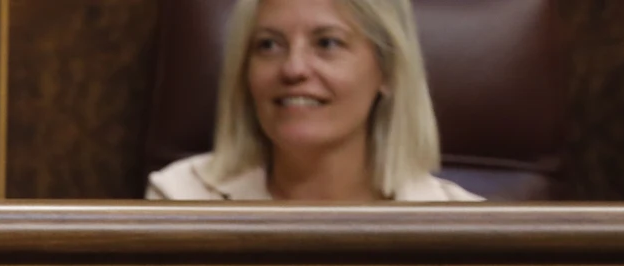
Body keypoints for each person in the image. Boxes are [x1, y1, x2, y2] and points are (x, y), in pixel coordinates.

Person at [146, 0, 479, 202]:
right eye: (269, 45)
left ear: (388, 71)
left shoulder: (465, 229)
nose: (293, 68)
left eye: (327, 43)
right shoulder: (181, 197)